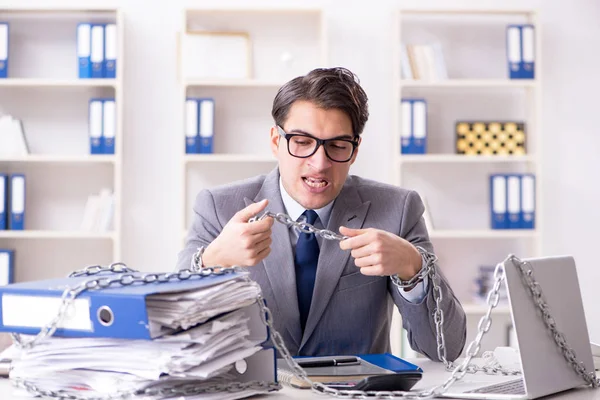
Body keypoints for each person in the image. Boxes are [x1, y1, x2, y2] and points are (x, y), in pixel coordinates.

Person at [176, 67, 467, 361]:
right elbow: (172, 329)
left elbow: (446, 349)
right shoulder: (218, 206)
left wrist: (412, 266)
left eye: (337, 146)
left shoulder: (398, 209)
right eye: (302, 142)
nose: (319, 163)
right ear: (277, 142)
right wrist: (212, 261)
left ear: (354, 151)